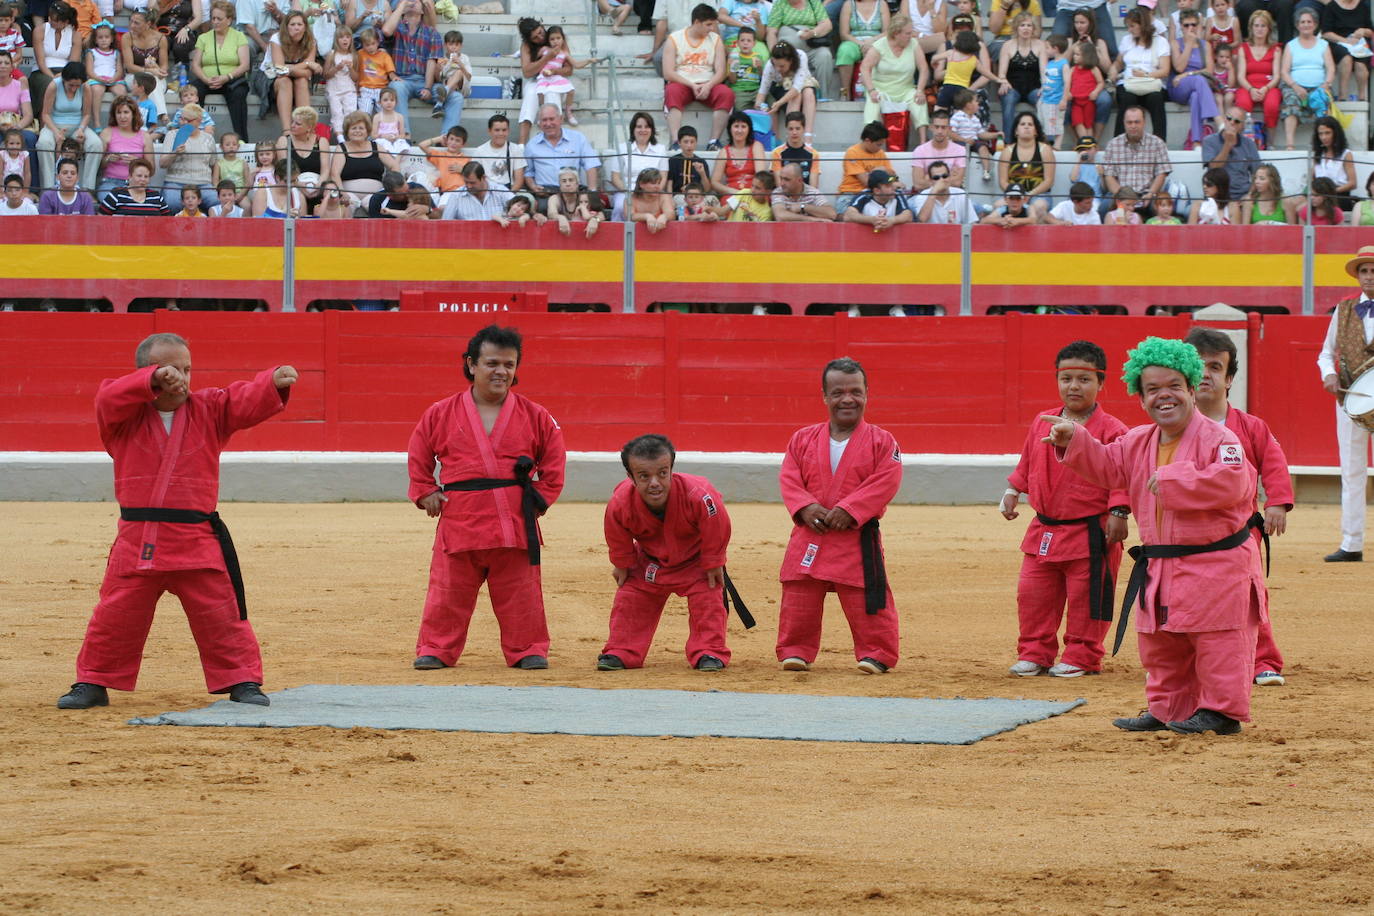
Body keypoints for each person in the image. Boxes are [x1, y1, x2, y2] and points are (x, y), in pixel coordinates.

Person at [55, 332, 297, 710]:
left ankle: (242, 681)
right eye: (170, 370)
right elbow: (109, 395)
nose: (181, 377)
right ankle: (93, 682)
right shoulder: (121, 416)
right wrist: (154, 380)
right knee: (115, 616)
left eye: (186, 369)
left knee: (222, 615)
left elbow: (243, 399)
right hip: (139, 538)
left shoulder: (211, 408)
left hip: (196, 537)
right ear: (146, 374)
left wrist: (271, 381)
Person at [1043, 336, 1266, 736]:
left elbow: (1236, 484)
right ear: (1140, 398)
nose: (1164, 396)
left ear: (1192, 388)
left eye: (1173, 386)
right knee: (1161, 643)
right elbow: (1108, 466)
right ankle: (1167, 709)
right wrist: (1074, 440)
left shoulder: (1222, 439)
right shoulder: (1137, 441)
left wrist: (1172, 478)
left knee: (1218, 642)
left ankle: (1221, 712)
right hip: (1162, 564)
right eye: (1152, 389)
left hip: (1216, 564)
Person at [407, 325, 566, 671]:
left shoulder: (536, 415)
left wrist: (535, 501)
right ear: (471, 364)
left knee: (521, 590)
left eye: (509, 365)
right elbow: (419, 454)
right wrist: (426, 491)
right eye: (492, 363)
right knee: (448, 591)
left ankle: (528, 648)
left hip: (512, 519)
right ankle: (436, 648)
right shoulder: (440, 412)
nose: (501, 372)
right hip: (461, 516)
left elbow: (554, 463)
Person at [1002, 340, 1128, 678]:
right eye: (1066, 378)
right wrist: (1013, 489)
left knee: (1088, 597)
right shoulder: (1042, 421)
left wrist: (1118, 512)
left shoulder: (1114, 429)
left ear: (1101, 383)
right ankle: (1035, 652)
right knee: (1033, 594)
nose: (1074, 386)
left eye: (1084, 379)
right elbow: (1028, 460)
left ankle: (1083, 654)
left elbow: (1122, 474)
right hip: (1044, 528)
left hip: (1090, 531)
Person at [1183, 326, 1293, 688]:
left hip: (1240, 533)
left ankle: (1263, 660)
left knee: (1249, 599)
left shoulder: (1250, 426)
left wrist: (1276, 502)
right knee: (1185, 598)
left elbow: (1274, 465)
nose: (1205, 374)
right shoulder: (1171, 426)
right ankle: (1192, 663)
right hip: (1185, 535)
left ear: (1229, 379)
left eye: (1215, 367)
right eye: (1197, 366)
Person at [776, 357, 902, 674]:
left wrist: (851, 509)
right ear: (825, 396)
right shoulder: (801, 439)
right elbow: (789, 478)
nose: (847, 399)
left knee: (866, 594)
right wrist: (804, 507)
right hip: (811, 531)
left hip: (856, 535)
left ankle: (877, 652)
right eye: (838, 392)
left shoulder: (882, 441)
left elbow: (887, 480)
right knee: (799, 591)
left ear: (867, 393)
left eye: (855, 391)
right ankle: (795, 650)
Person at [600, 434, 745, 672]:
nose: (654, 482)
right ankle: (621, 651)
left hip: (697, 563)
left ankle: (709, 652)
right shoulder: (620, 502)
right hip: (650, 563)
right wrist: (623, 563)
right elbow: (616, 534)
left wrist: (713, 561)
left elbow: (717, 525)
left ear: (671, 470)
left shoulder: (699, 494)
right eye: (644, 476)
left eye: (662, 473)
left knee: (709, 598)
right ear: (631, 477)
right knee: (631, 597)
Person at [1318, 245, 1374, 563]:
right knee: (1352, 471)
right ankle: (1351, 544)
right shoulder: (1343, 310)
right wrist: (1327, 374)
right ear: (1358, 275)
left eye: (1373, 270)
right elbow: (1326, 353)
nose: (1369, 276)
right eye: (1364, 271)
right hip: (1350, 398)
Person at [383, 0, 457, 135]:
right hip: (403, 80)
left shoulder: (432, 33)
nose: (412, 2)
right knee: (395, 87)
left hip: (424, 80)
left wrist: (428, 88)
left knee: (456, 97)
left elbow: (431, 62)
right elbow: (386, 31)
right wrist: (401, 6)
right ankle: (404, 135)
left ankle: (447, 138)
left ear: (423, 10)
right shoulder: (397, 28)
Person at [664, 4, 733, 145]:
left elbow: (721, 71)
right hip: (683, 83)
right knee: (671, 91)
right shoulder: (674, 39)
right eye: (708, 25)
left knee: (727, 94)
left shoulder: (716, 39)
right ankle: (676, 140)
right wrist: (691, 85)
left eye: (713, 25)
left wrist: (708, 85)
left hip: (708, 83)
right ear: (696, 22)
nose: (712, 29)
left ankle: (713, 141)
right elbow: (668, 73)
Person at [859, 15, 930, 149]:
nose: (911, 35)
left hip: (906, 88)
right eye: (907, 33)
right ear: (896, 33)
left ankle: (923, 143)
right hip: (881, 88)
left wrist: (920, 90)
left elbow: (924, 68)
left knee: (918, 100)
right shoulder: (880, 45)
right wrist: (871, 90)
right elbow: (865, 67)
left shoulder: (914, 44)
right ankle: (869, 143)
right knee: (873, 102)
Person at [189, 0, 251, 142]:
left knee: (239, 93)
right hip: (208, 79)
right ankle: (194, 135)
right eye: (213, 18)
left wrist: (227, 77)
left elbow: (245, 65)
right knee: (195, 91)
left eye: (219, 19)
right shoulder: (203, 37)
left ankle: (241, 139)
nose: (215, 22)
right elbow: (195, 65)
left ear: (229, 20)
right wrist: (205, 79)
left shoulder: (239, 36)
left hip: (231, 79)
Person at [36, 61, 103, 191]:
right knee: (43, 143)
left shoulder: (85, 87)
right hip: (54, 125)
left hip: (77, 125)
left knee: (96, 144)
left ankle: (87, 189)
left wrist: (81, 129)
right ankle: (49, 189)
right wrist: (56, 132)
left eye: (77, 86)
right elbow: (45, 114)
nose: (74, 88)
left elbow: (86, 114)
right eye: (71, 85)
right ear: (63, 80)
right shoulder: (53, 86)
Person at [522, 103, 601, 208]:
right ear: (539, 123)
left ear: (561, 119)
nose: (548, 123)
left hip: (573, 190)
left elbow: (591, 165)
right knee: (543, 210)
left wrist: (592, 193)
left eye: (551, 119)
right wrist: (533, 186)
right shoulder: (532, 145)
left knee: (591, 208)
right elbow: (528, 172)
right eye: (544, 120)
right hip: (546, 192)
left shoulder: (578, 138)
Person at [1109, 8, 1170, 141]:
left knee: (1156, 99)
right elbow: (1119, 62)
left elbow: (1165, 71)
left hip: (1151, 83)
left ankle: (1159, 143)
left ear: (1142, 25)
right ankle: (1119, 142)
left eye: (1132, 26)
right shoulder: (1127, 40)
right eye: (1128, 26)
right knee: (1127, 99)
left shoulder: (1160, 41)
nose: (1129, 30)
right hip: (1129, 83)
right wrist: (1114, 69)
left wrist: (1145, 75)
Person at [1278, 8, 1334, 151]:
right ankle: (1290, 144)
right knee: (1290, 102)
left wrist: (1325, 85)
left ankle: (1322, 144)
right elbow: (1284, 72)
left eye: (1309, 21)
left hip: (1320, 86)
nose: (1306, 25)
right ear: (1297, 25)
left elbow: (1331, 68)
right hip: (1295, 86)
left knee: (1323, 102)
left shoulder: (1323, 45)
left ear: (1315, 24)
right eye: (1302, 22)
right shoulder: (1291, 45)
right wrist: (1296, 87)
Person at [1101, 106, 1170, 220]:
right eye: (1129, 122)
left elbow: (1161, 174)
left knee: (1160, 208)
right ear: (1124, 123)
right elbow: (1109, 176)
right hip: (1120, 194)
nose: (1133, 126)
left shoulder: (1157, 143)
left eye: (1137, 122)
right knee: (1103, 208)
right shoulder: (1113, 144)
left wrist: (1151, 194)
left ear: (1144, 122)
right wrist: (1123, 198)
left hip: (1147, 194)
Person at [1169, 9, 1220, 148]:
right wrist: (1189, 45)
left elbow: (1209, 70)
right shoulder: (1176, 43)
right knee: (1199, 81)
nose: (1190, 28)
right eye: (1186, 25)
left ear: (1199, 26)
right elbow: (1179, 67)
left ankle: (1197, 142)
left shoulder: (1205, 45)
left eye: (1194, 24)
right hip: (1179, 87)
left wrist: (1188, 74)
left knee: (1197, 95)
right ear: (1181, 26)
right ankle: (1218, 119)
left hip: (1195, 83)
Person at [1236, 9, 1281, 137]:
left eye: (1263, 26)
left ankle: (1270, 142)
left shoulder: (1276, 49)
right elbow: (1240, 76)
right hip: (1247, 86)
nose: (1259, 29)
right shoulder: (1243, 48)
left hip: (1269, 86)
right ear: (1251, 28)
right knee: (1243, 104)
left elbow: (1277, 76)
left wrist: (1265, 89)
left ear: (1269, 29)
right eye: (1256, 25)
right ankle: (1243, 140)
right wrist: (1251, 89)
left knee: (1272, 106)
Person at [1201, 105, 1259, 200]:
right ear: (1224, 119)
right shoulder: (1209, 141)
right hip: (1217, 196)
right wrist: (1228, 144)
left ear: (1243, 126)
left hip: (1242, 196)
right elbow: (1213, 168)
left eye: (1236, 121)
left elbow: (1257, 174)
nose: (1232, 123)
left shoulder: (1249, 144)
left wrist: (1250, 195)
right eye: (1229, 118)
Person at [836, 120, 894, 212]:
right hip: (852, 194)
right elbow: (867, 182)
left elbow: (894, 178)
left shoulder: (880, 153)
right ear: (867, 141)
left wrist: (887, 175)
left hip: (876, 194)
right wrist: (880, 173)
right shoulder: (853, 152)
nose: (880, 148)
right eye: (878, 145)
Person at [910, 109, 965, 190]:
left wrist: (928, 177)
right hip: (926, 195)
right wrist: (948, 178)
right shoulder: (920, 151)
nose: (940, 131)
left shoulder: (960, 150)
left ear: (949, 128)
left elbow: (957, 182)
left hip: (952, 195)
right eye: (937, 127)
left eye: (943, 127)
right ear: (931, 127)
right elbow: (918, 184)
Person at [1310, 115, 1355, 212]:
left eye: (1327, 133)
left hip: (1338, 195)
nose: (1324, 137)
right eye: (1320, 134)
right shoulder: (1318, 154)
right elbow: (1312, 178)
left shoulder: (1346, 154)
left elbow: (1353, 183)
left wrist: (1330, 192)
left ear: (1335, 133)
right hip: (1319, 197)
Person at [469, 114, 525, 192]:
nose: (501, 133)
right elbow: (476, 179)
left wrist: (509, 196)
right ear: (489, 131)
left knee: (531, 200)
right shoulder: (480, 151)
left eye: (504, 130)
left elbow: (519, 180)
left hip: (510, 190)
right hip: (487, 191)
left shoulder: (515, 149)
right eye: (497, 130)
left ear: (508, 131)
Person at [98, 157, 169, 214]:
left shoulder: (156, 196)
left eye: (146, 176)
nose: (143, 179)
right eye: (139, 176)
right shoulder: (117, 194)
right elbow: (101, 218)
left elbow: (167, 221)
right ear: (130, 176)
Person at [772, 111, 822, 186]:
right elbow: (779, 185)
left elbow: (813, 186)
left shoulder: (814, 154)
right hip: (784, 194)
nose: (794, 132)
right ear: (786, 130)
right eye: (791, 129)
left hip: (806, 194)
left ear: (803, 129)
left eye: (798, 128)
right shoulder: (777, 153)